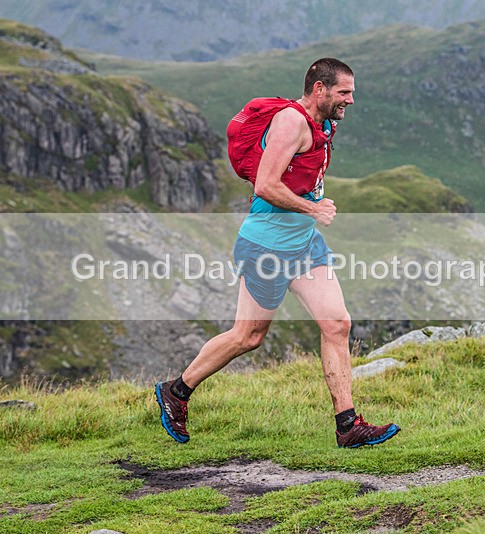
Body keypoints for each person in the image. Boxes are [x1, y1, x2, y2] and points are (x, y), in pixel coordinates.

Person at [156, 58, 400, 448]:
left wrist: (313, 203)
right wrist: (313, 208)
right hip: (266, 247)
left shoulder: (324, 123)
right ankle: (176, 391)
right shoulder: (290, 122)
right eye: (344, 92)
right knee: (248, 336)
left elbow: (301, 176)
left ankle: (348, 425)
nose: (351, 100)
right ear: (319, 89)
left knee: (337, 324)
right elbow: (266, 186)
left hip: (304, 245)